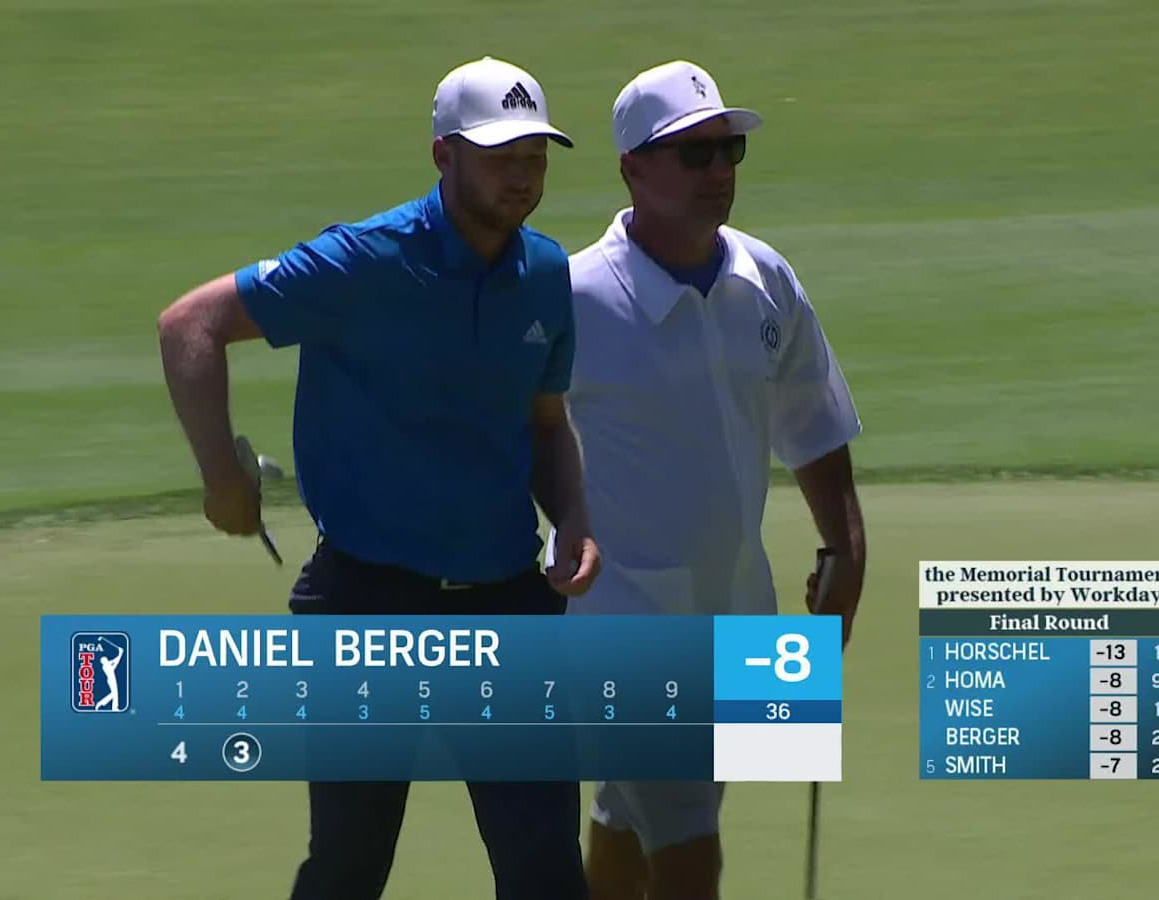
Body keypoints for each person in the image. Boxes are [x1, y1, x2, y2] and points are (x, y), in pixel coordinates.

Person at [156, 56, 602, 900]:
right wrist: (221, 478)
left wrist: (573, 513)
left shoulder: (545, 274)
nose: (522, 173)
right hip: (365, 598)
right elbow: (192, 325)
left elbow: (544, 423)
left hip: (506, 599)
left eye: (535, 155)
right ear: (444, 156)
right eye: (501, 154)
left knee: (545, 870)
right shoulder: (361, 261)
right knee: (351, 867)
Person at [551, 60, 868, 900]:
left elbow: (812, 416)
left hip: (738, 605)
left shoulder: (763, 277)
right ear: (632, 167)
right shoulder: (575, 296)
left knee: (627, 814)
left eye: (727, 151)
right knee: (689, 847)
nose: (718, 172)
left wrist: (846, 545)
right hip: (621, 624)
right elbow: (508, 432)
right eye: (693, 156)